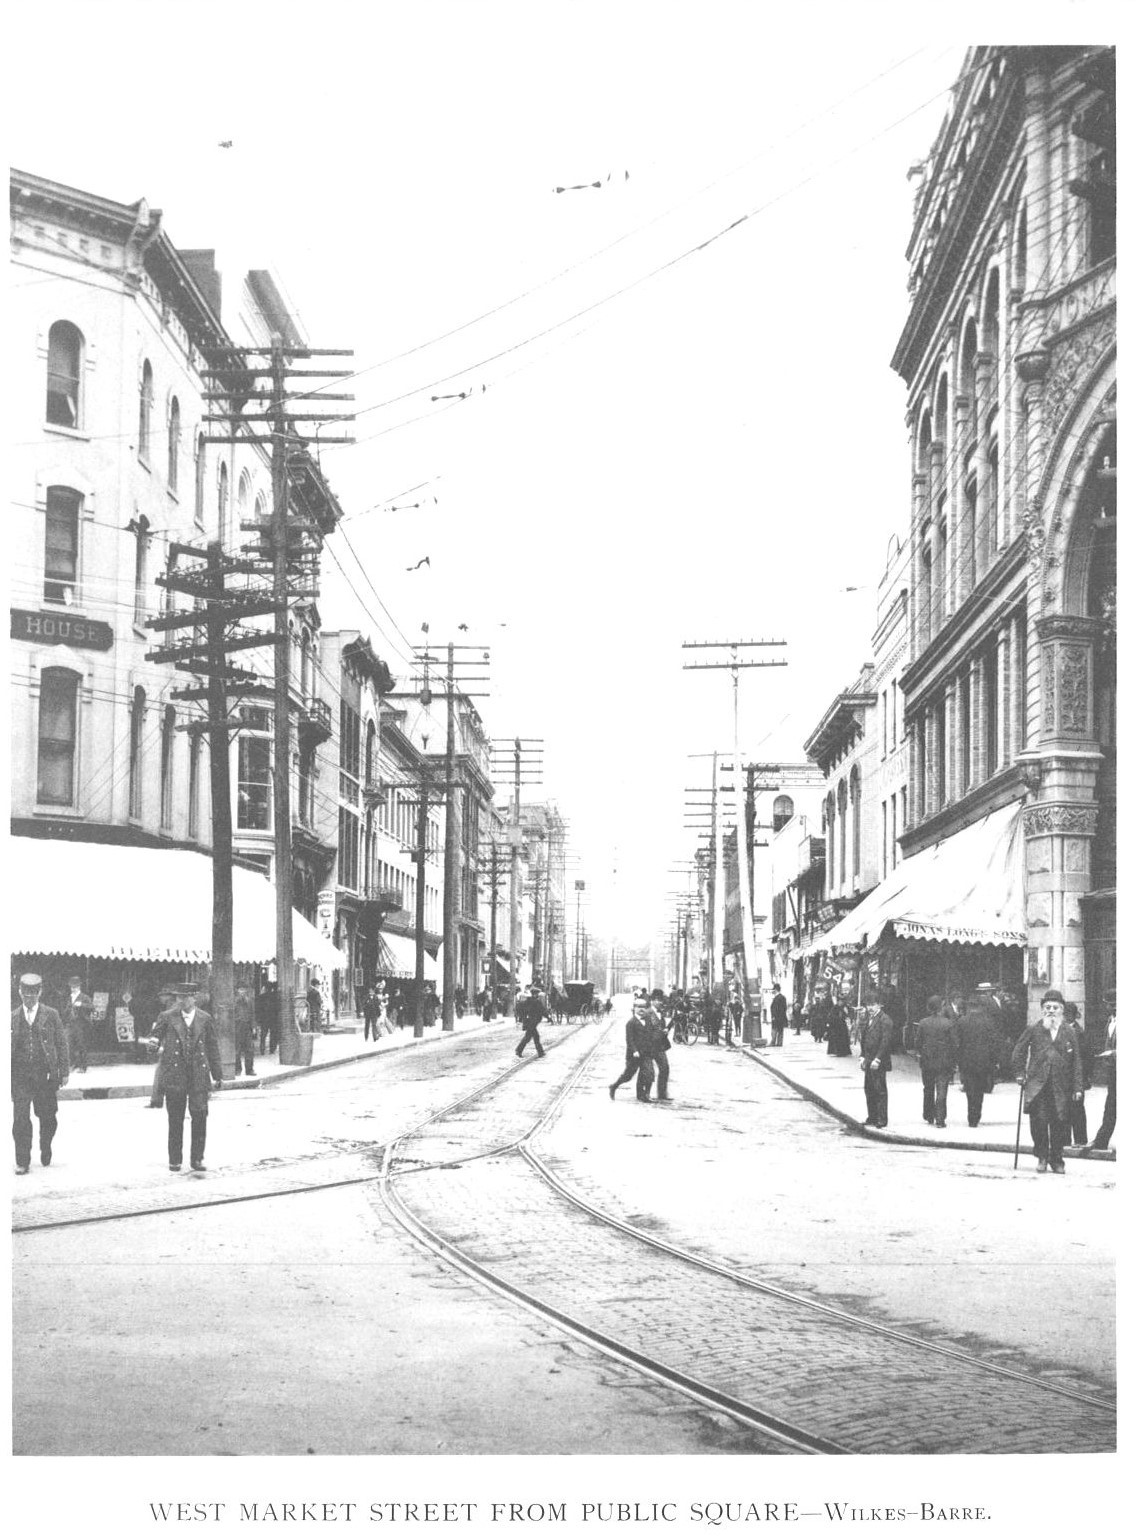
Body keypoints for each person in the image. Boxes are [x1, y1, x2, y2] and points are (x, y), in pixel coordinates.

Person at [153, 980, 223, 1173]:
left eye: (185, 997)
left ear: (195, 998)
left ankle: (197, 1159)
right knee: (175, 1118)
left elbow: (212, 1047)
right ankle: (175, 1159)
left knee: (200, 1116)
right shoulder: (167, 1017)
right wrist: (152, 1044)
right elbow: (155, 1037)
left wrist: (217, 1075)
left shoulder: (205, 1018)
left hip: (198, 1074)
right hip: (175, 1074)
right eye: (178, 997)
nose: (181, 1001)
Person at [1011, 989, 1083, 1174]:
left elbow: (1076, 1061)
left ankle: (1057, 1159)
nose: (1051, 1010)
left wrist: (1078, 1087)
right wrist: (1020, 1074)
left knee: (1060, 1123)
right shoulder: (1035, 1029)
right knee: (1039, 1123)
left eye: (1055, 1007)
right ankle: (1042, 1157)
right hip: (1038, 1086)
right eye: (1047, 1007)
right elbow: (1018, 1051)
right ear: (1042, 1010)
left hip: (1061, 1087)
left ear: (1062, 1010)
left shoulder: (1069, 1031)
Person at [11, 973, 70, 1174]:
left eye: (33, 994)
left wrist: (64, 1071)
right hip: (19, 1076)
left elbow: (61, 1043)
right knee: (20, 1119)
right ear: (20, 993)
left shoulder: (51, 1014)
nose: (29, 998)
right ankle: (23, 1160)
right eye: (25, 994)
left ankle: (45, 1146)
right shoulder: (12, 1017)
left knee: (48, 1117)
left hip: (45, 1075)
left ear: (40, 992)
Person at [957, 984, 1001, 1127]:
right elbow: (994, 1042)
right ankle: (977, 1114)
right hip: (983, 1061)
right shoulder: (988, 1022)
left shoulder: (962, 1021)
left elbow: (958, 1042)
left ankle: (971, 1116)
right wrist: (995, 1060)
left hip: (967, 1061)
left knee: (970, 1089)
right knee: (980, 1090)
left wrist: (958, 1061)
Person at [915, 995, 957, 1127]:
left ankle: (928, 1114)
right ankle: (940, 1119)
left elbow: (917, 1042)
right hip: (944, 1061)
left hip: (927, 1061)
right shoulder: (948, 1023)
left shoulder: (923, 1023)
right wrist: (953, 1061)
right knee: (942, 1089)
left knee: (928, 1088)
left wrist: (922, 1052)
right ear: (941, 1007)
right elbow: (954, 1043)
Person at [1083, 989, 1116, 1154]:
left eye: (1112, 1005)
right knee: (1111, 1106)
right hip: (1114, 1071)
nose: (1110, 1008)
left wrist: (1113, 1053)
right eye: (1110, 1005)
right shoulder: (1110, 1021)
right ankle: (1101, 1140)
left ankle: (1101, 1139)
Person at [858, 989, 893, 1128]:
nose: (870, 1008)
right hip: (868, 1059)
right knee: (869, 1088)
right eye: (868, 1005)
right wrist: (862, 1056)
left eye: (873, 1005)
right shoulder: (868, 1019)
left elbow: (885, 1042)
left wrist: (877, 1059)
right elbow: (865, 1039)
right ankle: (872, 1116)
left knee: (880, 1090)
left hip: (879, 1061)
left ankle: (882, 1119)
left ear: (879, 1005)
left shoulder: (885, 1020)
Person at [1064, 1002, 1094, 1147]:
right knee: (1063, 1109)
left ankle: (1080, 1139)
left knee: (1077, 1109)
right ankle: (1064, 1140)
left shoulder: (1079, 1032)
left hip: (1076, 1077)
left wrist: (1085, 1077)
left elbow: (1087, 1056)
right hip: (1062, 1077)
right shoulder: (1059, 1030)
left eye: (1067, 1014)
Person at [609, 1001, 648, 1100]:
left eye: (644, 1007)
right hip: (633, 1054)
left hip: (645, 1053)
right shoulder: (631, 1022)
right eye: (639, 1007)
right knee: (628, 1075)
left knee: (644, 1074)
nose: (641, 1009)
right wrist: (635, 1051)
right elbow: (629, 1039)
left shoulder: (647, 1021)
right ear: (634, 1008)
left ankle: (640, 1095)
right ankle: (614, 1086)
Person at [639, 1003, 672, 1101]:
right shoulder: (647, 1013)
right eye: (659, 1000)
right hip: (649, 1046)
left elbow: (661, 1027)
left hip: (659, 1046)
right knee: (646, 1070)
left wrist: (665, 1030)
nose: (660, 1003)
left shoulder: (660, 1012)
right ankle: (642, 1093)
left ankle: (662, 1093)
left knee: (665, 1067)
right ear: (654, 1000)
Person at [61, 974, 91, 1073]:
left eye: (74, 987)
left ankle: (83, 1066)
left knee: (81, 1045)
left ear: (78, 987)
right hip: (70, 1024)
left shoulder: (84, 997)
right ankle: (71, 1065)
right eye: (71, 987)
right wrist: (67, 1009)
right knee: (68, 1044)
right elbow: (65, 1010)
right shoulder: (69, 997)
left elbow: (92, 1007)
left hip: (80, 1024)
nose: (72, 989)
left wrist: (81, 1004)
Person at [515, 984, 548, 1059]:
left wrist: (522, 1018)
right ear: (535, 994)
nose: (537, 995)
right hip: (532, 1023)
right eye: (537, 994)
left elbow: (521, 1009)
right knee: (533, 1037)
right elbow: (542, 1011)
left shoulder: (528, 1001)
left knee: (529, 1037)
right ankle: (539, 1052)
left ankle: (519, 1050)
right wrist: (548, 1018)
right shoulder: (536, 1002)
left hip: (529, 1022)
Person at [234, 983, 255, 1077]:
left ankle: (249, 1069)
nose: (242, 992)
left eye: (244, 989)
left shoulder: (249, 1001)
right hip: (237, 1027)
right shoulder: (234, 1001)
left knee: (249, 1049)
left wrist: (253, 1027)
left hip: (247, 1027)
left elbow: (252, 1014)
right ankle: (237, 1069)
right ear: (237, 990)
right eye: (240, 989)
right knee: (237, 1050)